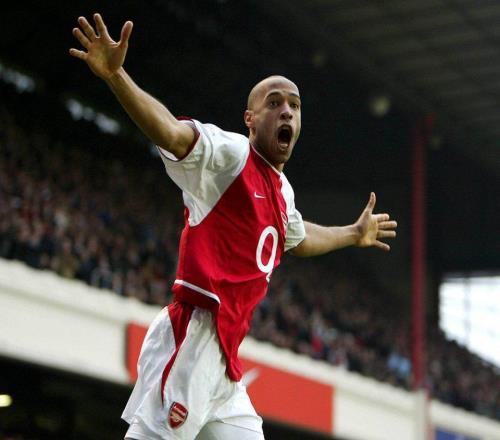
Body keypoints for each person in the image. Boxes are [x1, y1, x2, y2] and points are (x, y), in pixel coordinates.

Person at [70, 13, 397, 440]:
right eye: (274, 103)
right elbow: (171, 133)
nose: (287, 111)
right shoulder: (231, 155)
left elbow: (299, 238)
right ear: (250, 119)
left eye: (295, 106)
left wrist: (353, 234)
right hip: (192, 339)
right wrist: (117, 77)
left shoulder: (281, 191)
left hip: (225, 360)